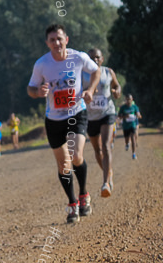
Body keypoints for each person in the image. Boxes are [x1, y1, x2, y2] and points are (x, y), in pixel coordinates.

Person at [27, 24, 99, 223]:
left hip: (76, 113)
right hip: (53, 119)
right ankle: (72, 203)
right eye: (52, 40)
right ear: (47, 43)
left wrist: (91, 90)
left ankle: (84, 194)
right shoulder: (42, 64)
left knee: (76, 156)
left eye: (59, 39)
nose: (56, 43)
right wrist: (38, 92)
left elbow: (96, 72)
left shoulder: (79, 57)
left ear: (66, 39)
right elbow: (30, 89)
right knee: (63, 164)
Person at [83, 48, 121, 196]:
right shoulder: (82, 74)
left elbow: (116, 86)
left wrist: (117, 91)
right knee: (97, 151)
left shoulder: (108, 72)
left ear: (102, 59)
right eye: (91, 58)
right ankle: (108, 172)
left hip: (107, 112)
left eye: (97, 57)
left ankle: (106, 183)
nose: (95, 60)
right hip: (90, 116)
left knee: (105, 145)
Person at [118, 94, 143, 160]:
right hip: (126, 126)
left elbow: (140, 116)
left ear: (132, 100)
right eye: (127, 99)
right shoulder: (123, 107)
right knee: (126, 139)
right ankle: (127, 144)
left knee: (133, 139)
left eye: (129, 99)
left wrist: (138, 115)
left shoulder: (135, 107)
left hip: (133, 125)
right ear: (125, 100)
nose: (128, 101)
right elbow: (119, 116)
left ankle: (134, 154)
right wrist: (125, 116)